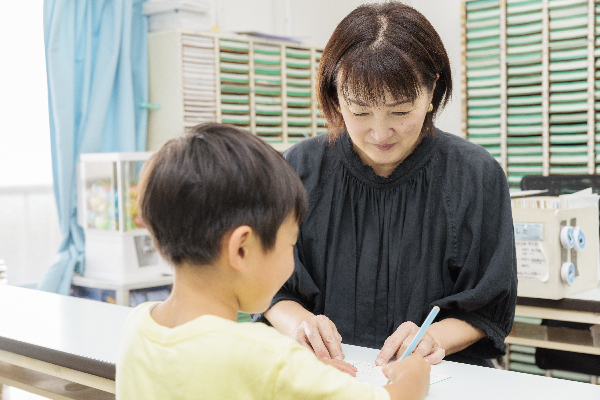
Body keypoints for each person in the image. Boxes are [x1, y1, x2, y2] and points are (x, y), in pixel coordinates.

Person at [258, 2, 517, 368]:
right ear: (335, 95)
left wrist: (432, 338)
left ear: (431, 93)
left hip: (441, 380)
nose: (380, 133)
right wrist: (302, 325)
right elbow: (270, 288)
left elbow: (488, 307)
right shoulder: (296, 170)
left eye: (400, 111)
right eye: (360, 111)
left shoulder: (476, 176)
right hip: (328, 377)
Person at [116, 122, 431, 400]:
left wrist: (303, 372)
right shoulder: (266, 356)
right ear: (241, 249)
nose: (292, 262)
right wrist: (413, 377)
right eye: (290, 244)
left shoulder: (138, 325)